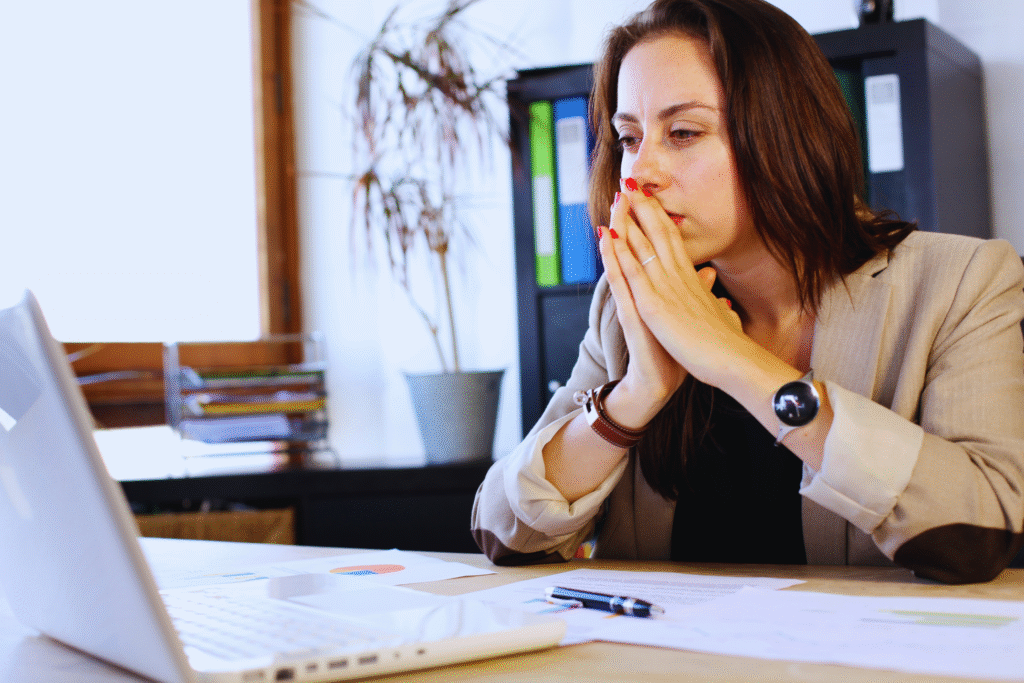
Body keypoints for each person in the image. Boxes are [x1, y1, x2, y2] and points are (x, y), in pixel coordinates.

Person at [471, 0, 1024, 584]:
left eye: (683, 132)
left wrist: (735, 361)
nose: (638, 173)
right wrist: (635, 396)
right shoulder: (626, 300)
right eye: (629, 138)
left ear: (786, 133)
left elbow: (980, 532)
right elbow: (502, 529)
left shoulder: (962, 281)